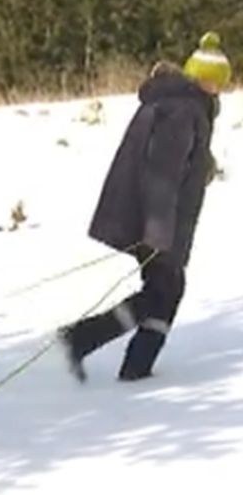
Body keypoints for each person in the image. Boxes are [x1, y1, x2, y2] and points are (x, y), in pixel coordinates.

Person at [57, 31, 232, 382]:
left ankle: (133, 365)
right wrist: (156, 233)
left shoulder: (180, 104)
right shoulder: (184, 109)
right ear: (206, 80)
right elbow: (162, 174)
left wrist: (202, 166)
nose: (219, 88)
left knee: (166, 291)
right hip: (156, 224)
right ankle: (83, 340)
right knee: (162, 292)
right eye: (216, 81)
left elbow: (177, 160)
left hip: (156, 221)